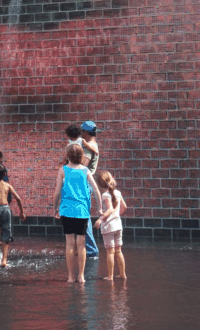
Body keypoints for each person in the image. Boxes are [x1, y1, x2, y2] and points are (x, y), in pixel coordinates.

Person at [53, 144, 102, 284]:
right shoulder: (86, 171)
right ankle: (81, 276)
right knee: (81, 244)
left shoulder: (62, 170)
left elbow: (57, 192)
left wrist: (54, 208)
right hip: (82, 212)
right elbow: (96, 191)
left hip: (67, 210)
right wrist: (99, 208)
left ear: (67, 155)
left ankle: (70, 277)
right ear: (81, 156)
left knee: (69, 244)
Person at [93, 170, 127, 281]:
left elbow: (110, 209)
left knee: (110, 252)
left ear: (100, 185)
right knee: (118, 251)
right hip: (118, 226)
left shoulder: (105, 195)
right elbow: (124, 207)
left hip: (109, 227)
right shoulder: (118, 193)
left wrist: (100, 219)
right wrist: (117, 216)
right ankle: (122, 274)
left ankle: (110, 276)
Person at [80, 120, 100, 258]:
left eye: (82, 131)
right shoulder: (94, 144)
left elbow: (83, 165)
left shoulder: (88, 147)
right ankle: (88, 249)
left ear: (86, 132)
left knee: (83, 216)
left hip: (84, 182)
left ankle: (91, 250)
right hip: (86, 183)